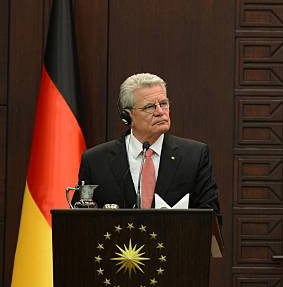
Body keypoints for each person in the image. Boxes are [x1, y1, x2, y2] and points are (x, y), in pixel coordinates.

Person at [75, 73, 220, 213]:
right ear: (127, 116)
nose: (160, 112)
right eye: (150, 107)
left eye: (163, 104)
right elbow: (80, 222)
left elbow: (211, 218)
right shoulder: (96, 161)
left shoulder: (194, 156)